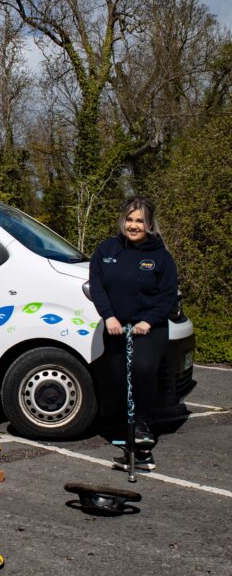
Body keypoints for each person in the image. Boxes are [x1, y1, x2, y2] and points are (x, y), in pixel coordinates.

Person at [89, 196, 178, 472]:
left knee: (141, 370)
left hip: (148, 329)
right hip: (116, 327)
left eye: (139, 220)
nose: (134, 225)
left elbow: (167, 296)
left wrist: (148, 321)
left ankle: (141, 431)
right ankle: (126, 432)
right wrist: (109, 316)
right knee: (118, 379)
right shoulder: (107, 249)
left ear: (149, 224)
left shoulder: (160, 256)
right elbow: (97, 286)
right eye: (129, 219)